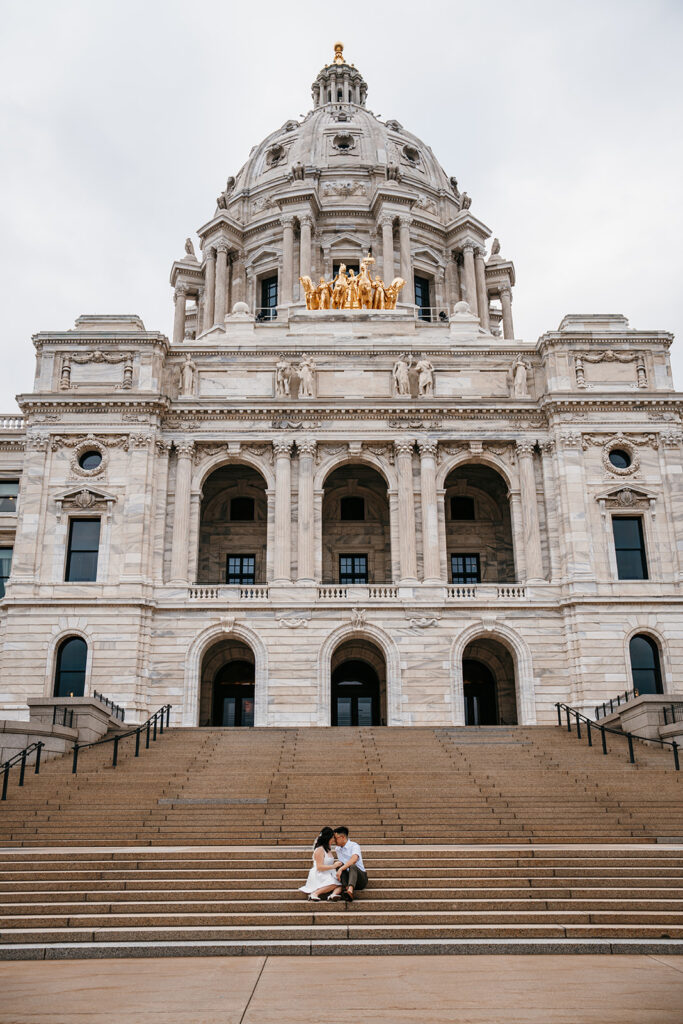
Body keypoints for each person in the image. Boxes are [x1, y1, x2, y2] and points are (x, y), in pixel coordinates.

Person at [298, 827, 344, 902]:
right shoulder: (320, 849)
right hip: (320, 873)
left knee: (341, 884)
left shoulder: (328, 849)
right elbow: (319, 867)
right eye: (332, 838)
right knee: (335, 883)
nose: (334, 840)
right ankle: (315, 894)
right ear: (327, 838)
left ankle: (333, 895)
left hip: (328, 872)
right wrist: (334, 866)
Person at [333, 826, 368, 902]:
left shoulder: (354, 846)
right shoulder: (337, 849)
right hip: (348, 877)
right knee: (338, 864)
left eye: (336, 838)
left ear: (342, 837)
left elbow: (354, 860)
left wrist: (341, 869)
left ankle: (350, 891)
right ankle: (346, 889)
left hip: (360, 878)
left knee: (352, 866)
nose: (334, 840)